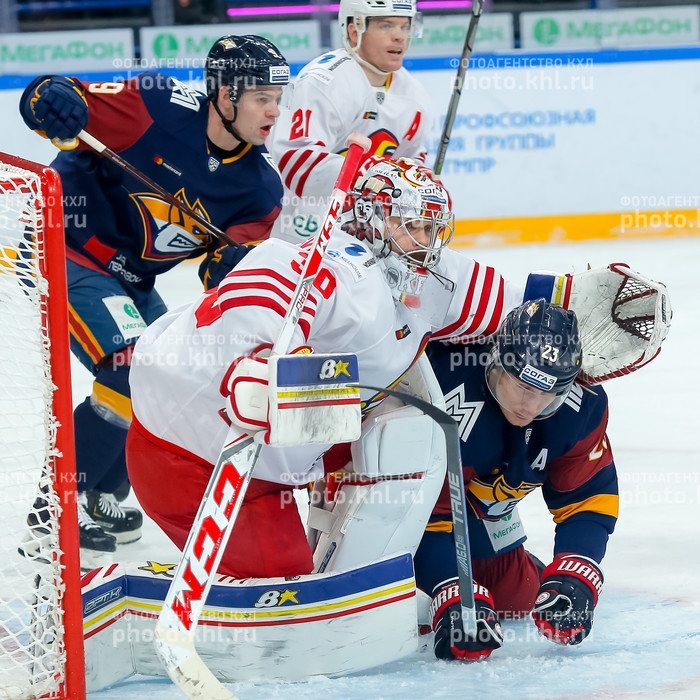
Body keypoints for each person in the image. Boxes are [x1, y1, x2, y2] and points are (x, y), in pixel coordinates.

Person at [125, 157, 525, 579]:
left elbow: (519, 301)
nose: (425, 242)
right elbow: (269, 280)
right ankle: (164, 583)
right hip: (190, 451)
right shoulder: (348, 261)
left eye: (431, 229)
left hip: (269, 457)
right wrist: (258, 359)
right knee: (279, 589)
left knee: (402, 426)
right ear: (372, 223)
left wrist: (591, 306)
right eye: (411, 226)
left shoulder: (425, 275)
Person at [17, 35, 290, 568]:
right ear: (225, 94)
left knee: (168, 378)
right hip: (62, 247)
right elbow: (48, 95)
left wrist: (235, 270)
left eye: (279, 96)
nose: (274, 111)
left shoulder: (259, 189)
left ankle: (98, 493)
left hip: (131, 279)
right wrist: (50, 100)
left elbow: (222, 271)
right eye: (262, 96)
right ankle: (53, 513)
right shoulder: (153, 104)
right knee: (127, 369)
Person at [415, 299, 618, 661]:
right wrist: (451, 589)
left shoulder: (580, 408)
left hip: (484, 506)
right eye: (524, 388)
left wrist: (577, 570)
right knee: (415, 609)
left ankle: (525, 564)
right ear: (496, 361)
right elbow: (418, 514)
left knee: (516, 598)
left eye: (548, 395)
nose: (532, 406)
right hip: (402, 506)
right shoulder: (442, 389)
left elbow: (588, 496)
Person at [268, 0, 430, 243]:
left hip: (371, 239)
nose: (399, 37)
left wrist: (425, 186)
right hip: (303, 235)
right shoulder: (324, 82)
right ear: (355, 31)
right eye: (386, 26)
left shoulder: (414, 95)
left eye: (405, 27)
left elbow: (411, 158)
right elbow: (294, 161)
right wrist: (376, 175)